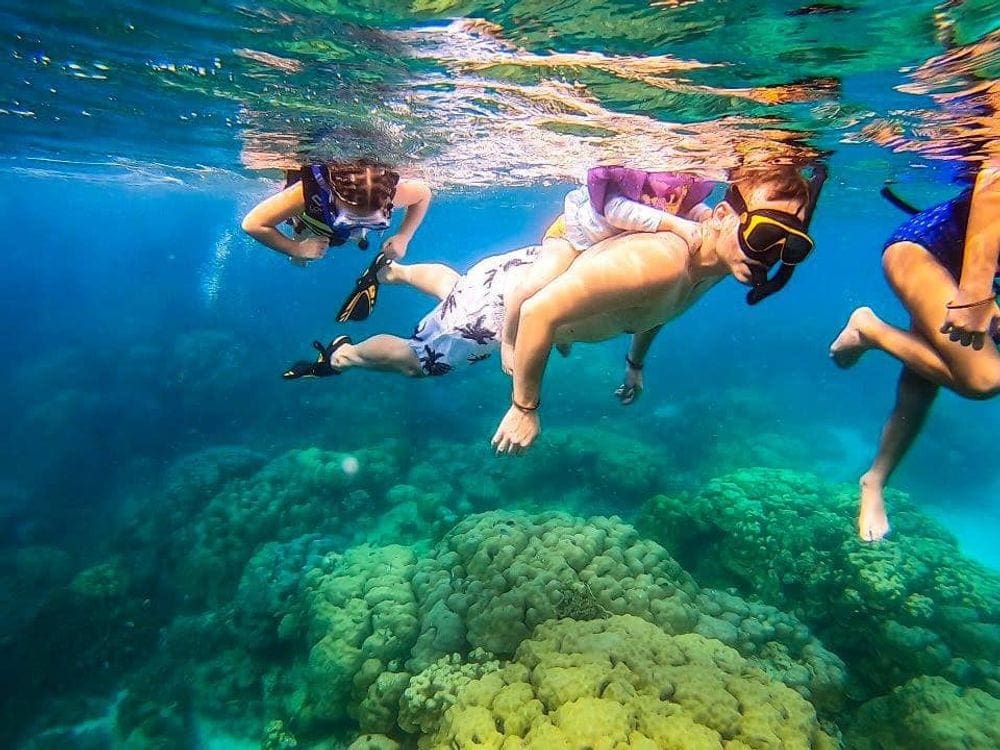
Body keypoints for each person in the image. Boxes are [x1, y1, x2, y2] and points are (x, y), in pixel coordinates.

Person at [284, 164, 824, 458]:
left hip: (516, 274)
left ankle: (397, 273)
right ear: (726, 217)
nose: (772, 255)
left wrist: (636, 363)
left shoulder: (709, 268)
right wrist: (525, 406)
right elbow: (539, 310)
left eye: (791, 246)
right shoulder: (660, 259)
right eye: (766, 234)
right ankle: (345, 355)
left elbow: (655, 313)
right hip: (511, 305)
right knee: (424, 360)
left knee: (463, 291)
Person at [829, 158, 1000, 542]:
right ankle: (869, 328)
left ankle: (874, 481)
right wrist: (976, 292)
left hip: (970, 274)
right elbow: (995, 174)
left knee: (923, 382)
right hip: (923, 251)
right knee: (984, 378)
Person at [500, 167, 714, 373]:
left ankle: (563, 336)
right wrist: (676, 225)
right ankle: (508, 339)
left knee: (574, 302)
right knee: (537, 283)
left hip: (603, 246)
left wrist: (707, 217)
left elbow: (689, 207)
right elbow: (616, 212)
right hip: (571, 236)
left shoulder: (680, 182)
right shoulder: (629, 178)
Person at [241, 158, 432, 321]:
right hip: (311, 224)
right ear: (331, 196)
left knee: (354, 235)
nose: (355, 225)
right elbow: (253, 224)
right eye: (350, 219)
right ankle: (298, 255)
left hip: (334, 222)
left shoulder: (390, 193)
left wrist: (404, 236)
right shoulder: (307, 193)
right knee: (302, 253)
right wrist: (295, 248)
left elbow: (423, 194)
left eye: (374, 222)